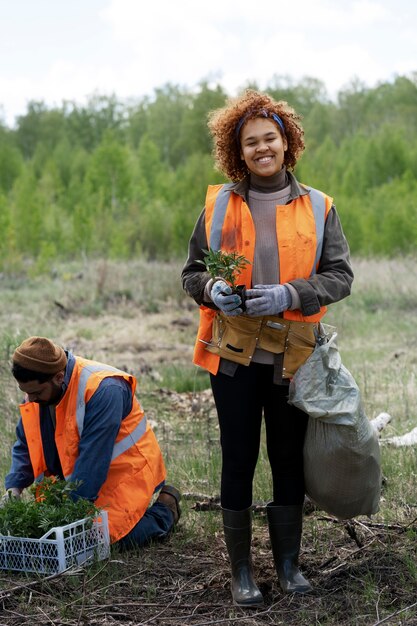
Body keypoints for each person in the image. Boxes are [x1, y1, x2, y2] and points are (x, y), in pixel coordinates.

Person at [181, 89, 353, 605]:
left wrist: (289, 294)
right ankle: (241, 572)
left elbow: (341, 276)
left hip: (293, 356)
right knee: (238, 459)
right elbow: (191, 272)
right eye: (251, 142)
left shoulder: (319, 206)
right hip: (232, 358)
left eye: (270, 138)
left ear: (287, 142)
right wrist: (211, 290)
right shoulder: (218, 205)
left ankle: (288, 566)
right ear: (239, 151)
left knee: (287, 459)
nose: (262, 149)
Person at [2, 336, 181, 549]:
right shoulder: (39, 390)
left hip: (126, 473)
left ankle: (165, 510)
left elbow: (93, 460)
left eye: (36, 393)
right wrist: (14, 487)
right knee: (55, 538)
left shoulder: (105, 389)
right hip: (79, 477)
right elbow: (27, 442)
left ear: (59, 377)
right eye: (26, 392)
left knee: (99, 540)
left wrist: (69, 518)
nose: (30, 399)